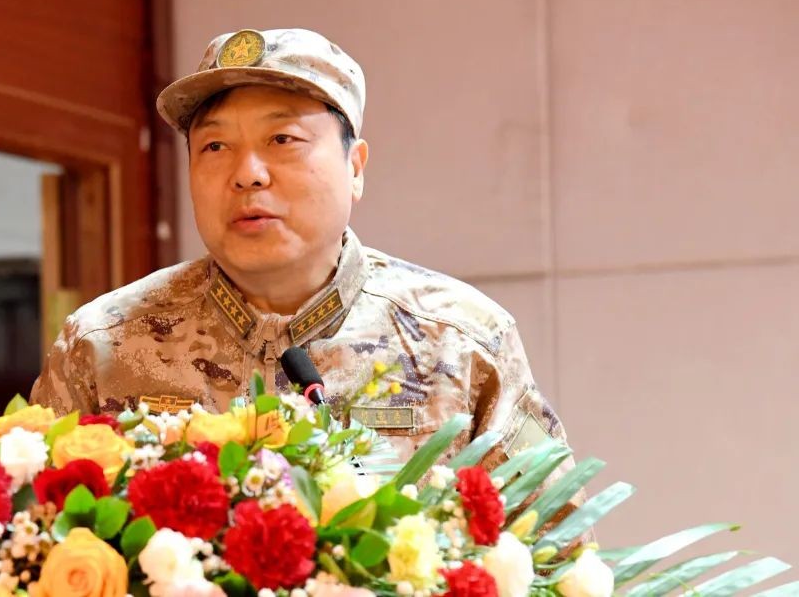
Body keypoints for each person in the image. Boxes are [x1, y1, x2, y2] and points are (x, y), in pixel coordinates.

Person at [30, 27, 570, 470]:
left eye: (282, 139)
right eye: (215, 146)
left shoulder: (460, 342)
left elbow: (556, 549)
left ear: (354, 167)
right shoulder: (102, 345)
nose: (247, 174)